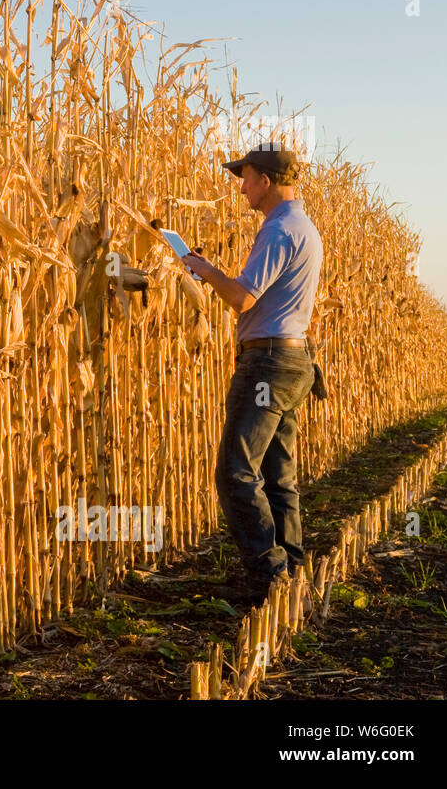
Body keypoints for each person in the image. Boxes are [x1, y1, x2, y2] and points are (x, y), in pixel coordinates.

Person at [179, 141, 323, 604]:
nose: (242, 189)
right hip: (293, 360)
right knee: (277, 472)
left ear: (266, 179)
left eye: (245, 178)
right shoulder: (305, 227)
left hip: (268, 364)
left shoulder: (280, 229)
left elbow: (243, 297)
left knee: (235, 471)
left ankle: (269, 574)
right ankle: (292, 568)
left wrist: (202, 268)